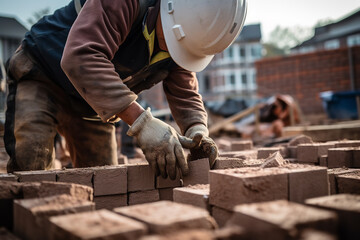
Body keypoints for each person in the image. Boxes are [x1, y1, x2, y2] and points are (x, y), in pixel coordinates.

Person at [4, 0, 247, 179]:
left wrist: (198, 130)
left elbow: (186, 91)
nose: (176, 53)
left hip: (92, 101)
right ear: (168, 10)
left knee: (104, 180)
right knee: (32, 173)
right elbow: (81, 57)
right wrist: (142, 122)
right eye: (177, 44)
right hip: (43, 75)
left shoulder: (184, 44)